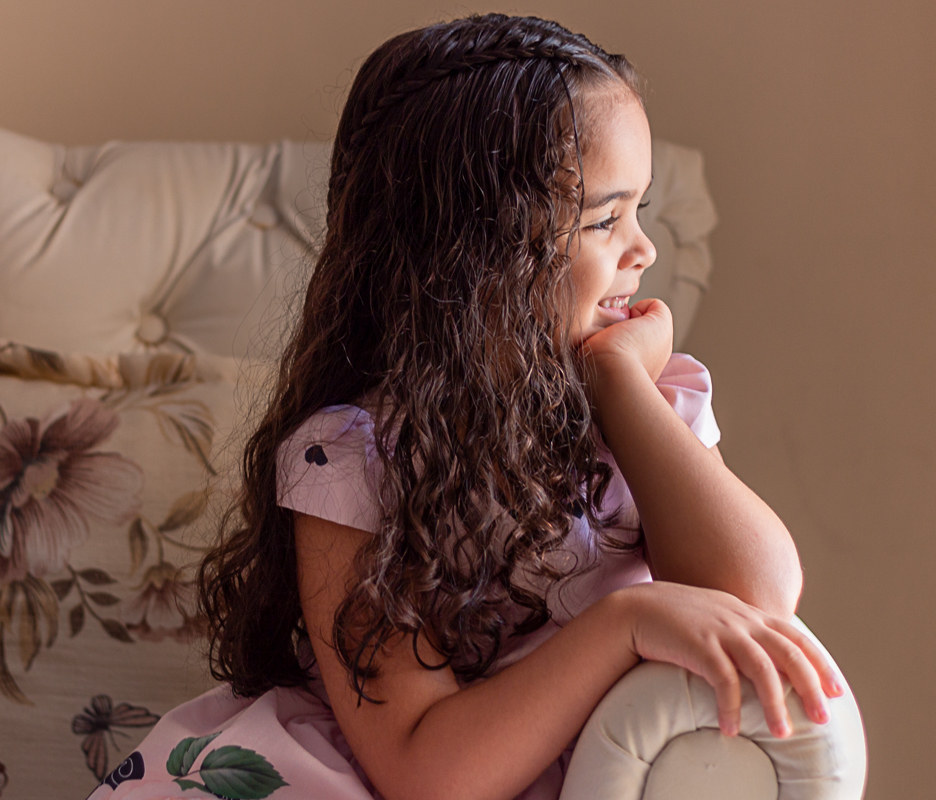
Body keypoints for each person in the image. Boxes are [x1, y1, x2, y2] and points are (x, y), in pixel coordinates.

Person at [86, 13, 844, 800]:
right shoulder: (352, 461)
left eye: (640, 211)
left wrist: (621, 387)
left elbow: (759, 594)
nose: (643, 250)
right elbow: (426, 771)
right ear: (477, 251)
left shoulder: (643, 400)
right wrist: (625, 624)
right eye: (604, 219)